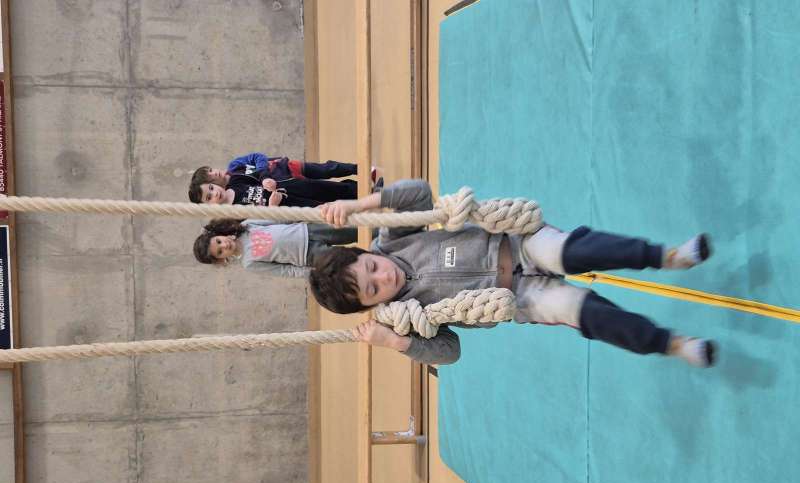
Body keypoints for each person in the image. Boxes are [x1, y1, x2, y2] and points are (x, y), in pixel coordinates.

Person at [309, 179, 717, 368]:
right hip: (521, 299)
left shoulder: (394, 239)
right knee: (588, 314)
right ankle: (673, 344)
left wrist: (360, 205)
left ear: (366, 253)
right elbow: (449, 352)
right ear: (368, 305)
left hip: (520, 244)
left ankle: (668, 256)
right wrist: (396, 342)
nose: (383, 279)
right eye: (372, 290)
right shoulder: (404, 317)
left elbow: (417, 193)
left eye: (372, 268)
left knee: (574, 251)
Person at [188, 152, 382, 207]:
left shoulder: (235, 169)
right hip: (290, 194)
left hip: (287, 170)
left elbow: (258, 157)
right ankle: (366, 191)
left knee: (327, 169)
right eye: (209, 195)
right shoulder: (233, 205)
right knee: (328, 194)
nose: (215, 174)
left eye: (211, 171)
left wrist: (265, 175)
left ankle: (363, 170)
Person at [193, 218, 358, 278]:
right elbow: (284, 271)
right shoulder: (248, 262)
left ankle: (375, 232)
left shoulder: (247, 226)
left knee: (353, 231)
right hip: (309, 255)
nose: (224, 246)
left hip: (309, 230)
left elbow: (278, 220)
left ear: (219, 235)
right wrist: (310, 273)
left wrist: (305, 215)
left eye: (219, 241)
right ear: (221, 259)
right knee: (349, 259)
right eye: (220, 251)